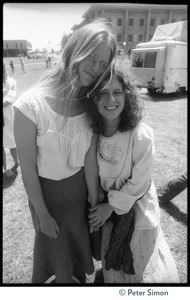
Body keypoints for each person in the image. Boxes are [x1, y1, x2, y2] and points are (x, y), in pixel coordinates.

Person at [13, 19, 117, 284]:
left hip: (79, 194)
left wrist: (94, 200)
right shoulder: (29, 105)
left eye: (103, 63)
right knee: (56, 256)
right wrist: (43, 215)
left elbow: (88, 161)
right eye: (91, 57)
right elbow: (29, 171)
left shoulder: (90, 102)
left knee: (76, 259)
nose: (96, 68)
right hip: (49, 199)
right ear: (76, 49)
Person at [86, 67, 179, 283]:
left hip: (137, 205)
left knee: (140, 264)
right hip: (108, 206)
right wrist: (100, 199)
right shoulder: (93, 133)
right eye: (102, 93)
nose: (111, 99)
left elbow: (140, 182)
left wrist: (109, 207)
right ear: (93, 99)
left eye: (117, 92)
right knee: (113, 265)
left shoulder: (141, 135)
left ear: (126, 95)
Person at [3, 64, 19, 180]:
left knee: (12, 142)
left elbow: (10, 99)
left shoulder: (11, 82)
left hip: (8, 117)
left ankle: (16, 163)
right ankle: (4, 169)